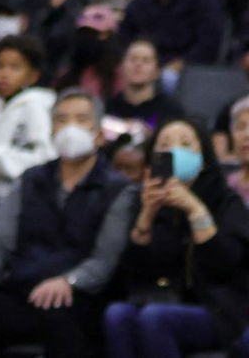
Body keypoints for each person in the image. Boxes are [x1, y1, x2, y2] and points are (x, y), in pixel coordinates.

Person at [0, 89, 136, 358]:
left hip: (78, 297)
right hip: (22, 291)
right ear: (52, 131)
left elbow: (105, 260)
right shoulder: (30, 179)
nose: (70, 127)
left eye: (81, 119)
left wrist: (70, 281)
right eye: (62, 119)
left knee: (60, 310)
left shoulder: (118, 189)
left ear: (99, 133)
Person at [104, 118, 249, 358]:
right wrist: (146, 216)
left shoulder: (226, 201)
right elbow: (132, 274)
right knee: (117, 314)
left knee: (156, 316)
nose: (175, 151)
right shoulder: (143, 201)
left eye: (185, 144)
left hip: (217, 309)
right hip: (162, 298)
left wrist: (195, 210)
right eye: (165, 145)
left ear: (203, 158)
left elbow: (227, 267)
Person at [0, 35, 56, 196]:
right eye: (0, 66)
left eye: (15, 67)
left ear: (32, 76)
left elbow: (44, 158)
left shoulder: (34, 107)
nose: (4, 74)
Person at [105, 39, 185, 134]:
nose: (138, 64)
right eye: (133, 59)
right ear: (121, 67)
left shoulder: (171, 110)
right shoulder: (109, 106)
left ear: (157, 71)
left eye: (146, 60)